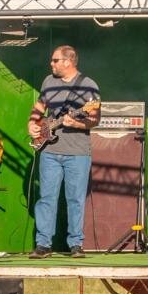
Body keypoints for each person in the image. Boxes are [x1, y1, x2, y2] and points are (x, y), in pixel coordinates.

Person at [27, 45, 100, 258]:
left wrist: (76, 124)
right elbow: (40, 106)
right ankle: (43, 245)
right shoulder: (48, 82)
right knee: (46, 197)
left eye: (55, 60)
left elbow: (94, 118)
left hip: (77, 152)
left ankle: (76, 244)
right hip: (49, 150)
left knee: (75, 199)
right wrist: (32, 124)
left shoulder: (88, 85)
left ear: (68, 62)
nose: (51, 64)